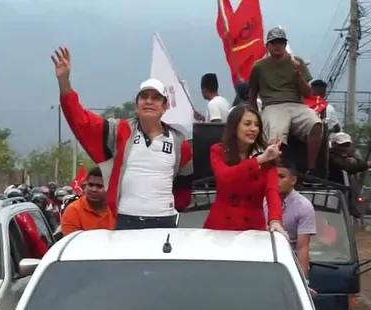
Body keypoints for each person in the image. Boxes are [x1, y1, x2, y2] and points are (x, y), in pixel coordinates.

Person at [52, 46, 193, 230]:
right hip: (126, 220)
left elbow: (184, 186)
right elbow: (82, 121)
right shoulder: (120, 131)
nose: (149, 101)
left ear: (165, 106)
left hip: (164, 221)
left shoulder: (180, 143)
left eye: (155, 98)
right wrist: (64, 83)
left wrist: (176, 206)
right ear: (137, 105)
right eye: (144, 97)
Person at [249, 27, 323, 171]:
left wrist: (299, 74)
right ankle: (276, 170)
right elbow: (253, 92)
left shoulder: (297, 62)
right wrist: (254, 114)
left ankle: (312, 169)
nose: (277, 46)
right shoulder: (259, 66)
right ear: (267, 46)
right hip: (272, 105)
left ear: (285, 45)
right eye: (274, 42)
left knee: (316, 123)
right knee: (275, 134)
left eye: (281, 42)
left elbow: (308, 93)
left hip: (296, 104)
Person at [203, 105, 285, 235]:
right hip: (221, 225)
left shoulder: (267, 156)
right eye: (247, 124)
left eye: (257, 125)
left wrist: (275, 220)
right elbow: (225, 177)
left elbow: (272, 191)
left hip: (252, 226)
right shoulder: (218, 151)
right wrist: (259, 160)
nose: (253, 129)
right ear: (234, 127)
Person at [269, 163, 317, 278]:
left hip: (288, 261)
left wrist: (304, 281)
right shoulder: (261, 200)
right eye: (272, 176)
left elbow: (303, 247)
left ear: (293, 180)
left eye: (281, 176)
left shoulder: (304, 206)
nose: (276, 180)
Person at [328, 132, 371, 218]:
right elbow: (345, 167)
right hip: (333, 197)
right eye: (342, 145)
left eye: (347, 145)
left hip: (345, 198)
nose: (345, 148)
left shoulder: (349, 156)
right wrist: (369, 164)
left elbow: (357, 164)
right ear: (334, 145)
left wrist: (356, 162)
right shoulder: (330, 157)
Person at [60, 167, 116, 235]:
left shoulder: (118, 210)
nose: (94, 189)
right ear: (85, 186)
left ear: (110, 188)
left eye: (99, 186)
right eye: (90, 185)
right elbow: (73, 242)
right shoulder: (73, 210)